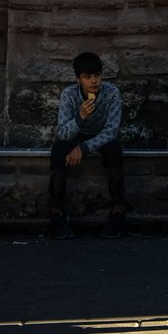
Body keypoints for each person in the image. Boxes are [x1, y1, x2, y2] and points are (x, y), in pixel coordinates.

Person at [50, 52, 127, 239]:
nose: (94, 81)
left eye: (97, 75)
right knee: (59, 150)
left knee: (114, 150)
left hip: (101, 136)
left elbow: (111, 131)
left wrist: (83, 149)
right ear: (78, 78)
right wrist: (80, 117)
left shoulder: (111, 93)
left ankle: (118, 211)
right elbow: (62, 132)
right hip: (76, 134)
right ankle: (56, 212)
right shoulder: (69, 95)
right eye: (88, 77)